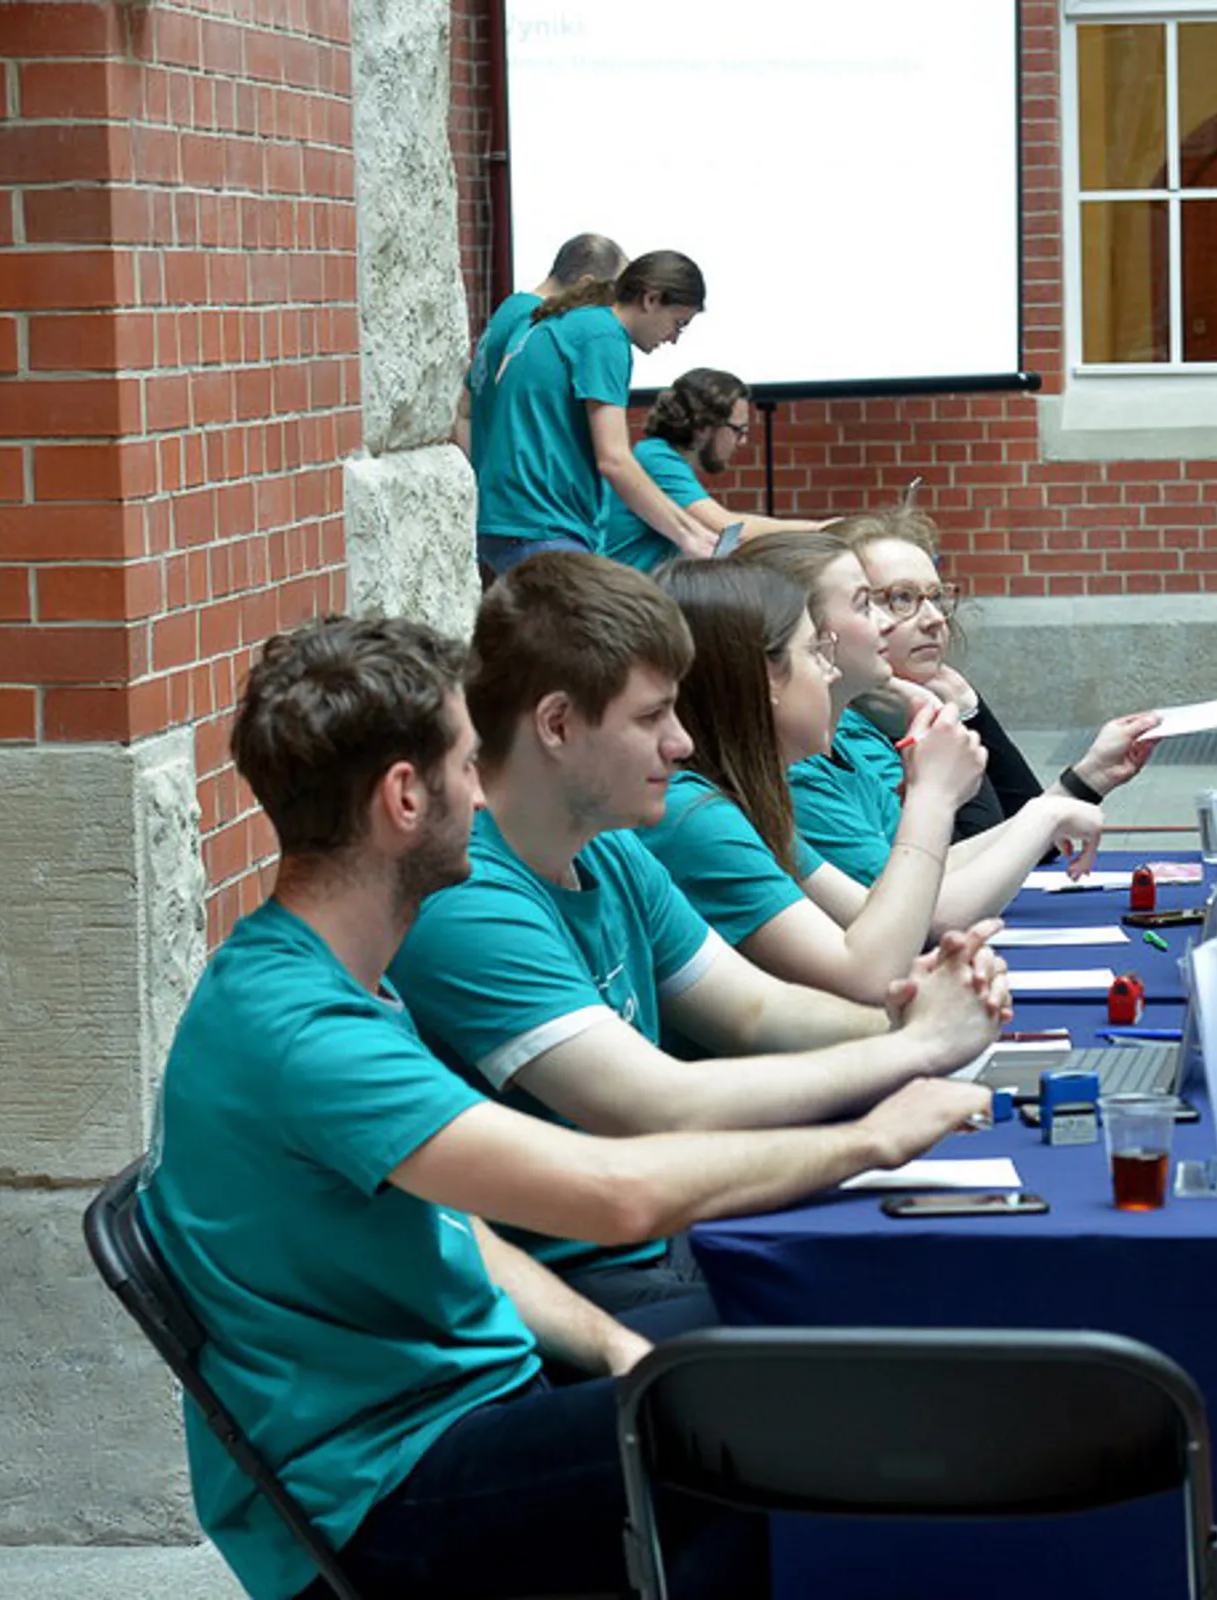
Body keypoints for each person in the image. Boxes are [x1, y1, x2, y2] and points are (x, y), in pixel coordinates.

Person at [138, 613, 990, 1600]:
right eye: (468, 765)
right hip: (383, 1483)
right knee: (788, 1416)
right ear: (405, 797)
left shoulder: (334, 975)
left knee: (780, 1361)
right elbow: (616, 1193)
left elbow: (461, 1233)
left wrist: (617, 1346)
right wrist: (872, 1138)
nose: (482, 793)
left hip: (469, 1405)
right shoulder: (300, 1025)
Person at [386, 553, 1011, 1324]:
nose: (682, 744)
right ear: (556, 725)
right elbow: (657, 1104)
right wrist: (916, 1047)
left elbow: (759, 1012)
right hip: (572, 1288)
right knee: (911, 1309)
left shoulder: (608, 846)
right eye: (651, 717)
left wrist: (917, 1012)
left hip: (664, 1237)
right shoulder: (468, 897)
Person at [638, 558, 982, 1004]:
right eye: (816, 651)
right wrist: (931, 798)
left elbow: (877, 920)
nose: (831, 671)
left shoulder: (752, 796)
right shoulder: (693, 812)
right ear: (766, 676)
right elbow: (872, 971)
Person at [735, 530, 1107, 921]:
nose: (886, 623)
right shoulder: (796, 773)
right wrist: (938, 787)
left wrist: (1063, 800)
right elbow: (921, 916)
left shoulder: (836, 749)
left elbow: (930, 868)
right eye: (872, 603)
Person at [839, 509, 1159, 840]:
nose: (935, 619)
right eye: (901, 598)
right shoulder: (850, 736)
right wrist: (942, 720)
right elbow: (972, 852)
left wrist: (1092, 774)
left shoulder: (904, 707)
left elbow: (1022, 838)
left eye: (935, 597)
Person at [473, 251, 713, 576]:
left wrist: (692, 531)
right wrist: (688, 536)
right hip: (541, 525)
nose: (673, 339)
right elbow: (614, 460)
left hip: (517, 522)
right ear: (651, 299)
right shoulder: (604, 336)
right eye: (678, 324)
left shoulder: (575, 322)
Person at [601, 368, 825, 571]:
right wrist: (820, 530)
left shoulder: (659, 456)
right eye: (738, 430)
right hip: (623, 598)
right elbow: (727, 529)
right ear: (704, 426)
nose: (743, 441)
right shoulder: (656, 458)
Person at [455, 232, 622, 462]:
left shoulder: (510, 308)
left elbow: (465, 411)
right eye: (609, 297)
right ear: (586, 284)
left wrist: (480, 472)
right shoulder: (538, 321)